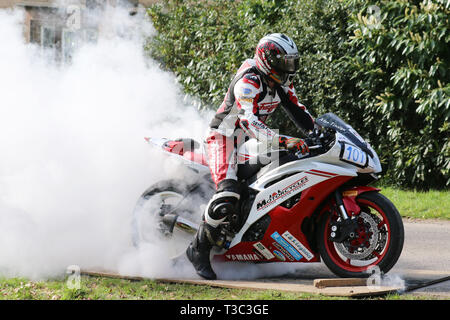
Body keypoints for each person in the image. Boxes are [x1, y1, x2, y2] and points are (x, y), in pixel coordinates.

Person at [186, 33, 315, 280]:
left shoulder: (280, 81)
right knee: (228, 193)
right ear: (268, 60)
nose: (289, 67)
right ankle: (197, 249)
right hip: (224, 137)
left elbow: (299, 112)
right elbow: (250, 122)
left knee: (283, 167)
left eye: (291, 61)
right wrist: (283, 139)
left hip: (248, 139)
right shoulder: (249, 81)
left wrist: (318, 132)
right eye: (284, 61)